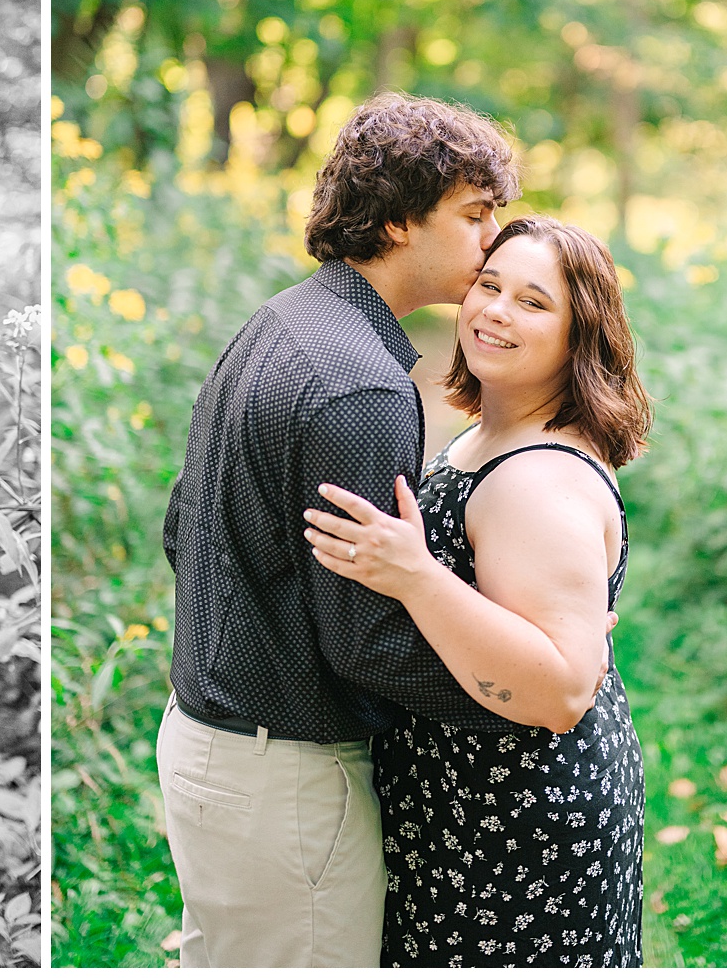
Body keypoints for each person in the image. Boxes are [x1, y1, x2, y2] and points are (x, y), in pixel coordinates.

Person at [158, 92, 528, 967]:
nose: (491, 243)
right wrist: (521, 699)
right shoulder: (361, 384)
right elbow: (366, 643)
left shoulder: (282, 320)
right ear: (399, 220)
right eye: (475, 216)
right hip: (282, 778)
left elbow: (182, 526)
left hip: (204, 746)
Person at [303, 215, 649, 966]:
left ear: (579, 334)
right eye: (489, 286)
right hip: (465, 803)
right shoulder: (492, 434)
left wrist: (415, 575)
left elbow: (559, 690)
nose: (495, 311)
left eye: (533, 302)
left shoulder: (537, 478)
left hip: (519, 821)